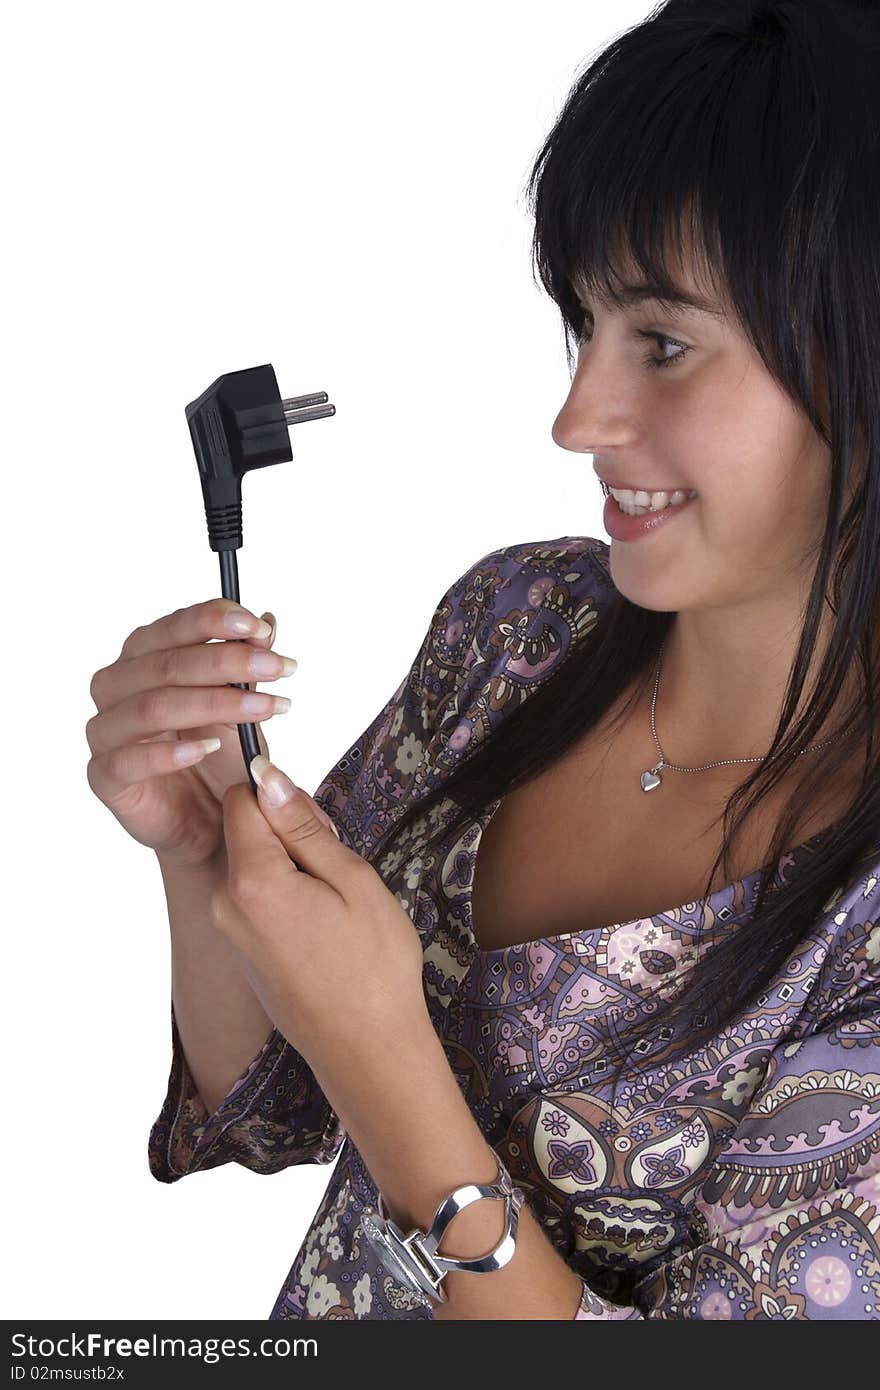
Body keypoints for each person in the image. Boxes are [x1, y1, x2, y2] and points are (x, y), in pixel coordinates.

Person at [86, 0, 880, 1319]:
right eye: (585, 323)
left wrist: (391, 1061)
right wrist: (196, 845)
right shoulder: (516, 632)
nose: (578, 416)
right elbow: (270, 1099)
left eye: (664, 342)